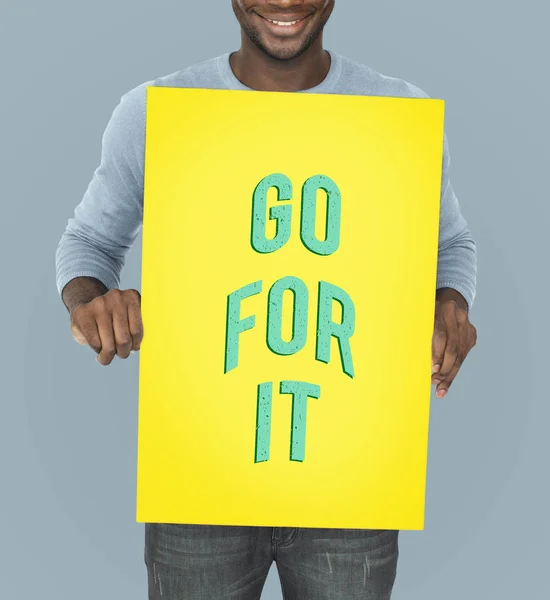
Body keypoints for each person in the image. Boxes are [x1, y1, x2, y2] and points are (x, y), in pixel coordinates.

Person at [55, 1, 478, 598]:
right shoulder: (154, 110)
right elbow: (89, 243)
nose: (283, 1)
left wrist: (450, 301)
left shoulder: (399, 113)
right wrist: (91, 303)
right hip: (198, 482)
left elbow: (450, 243)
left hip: (353, 481)